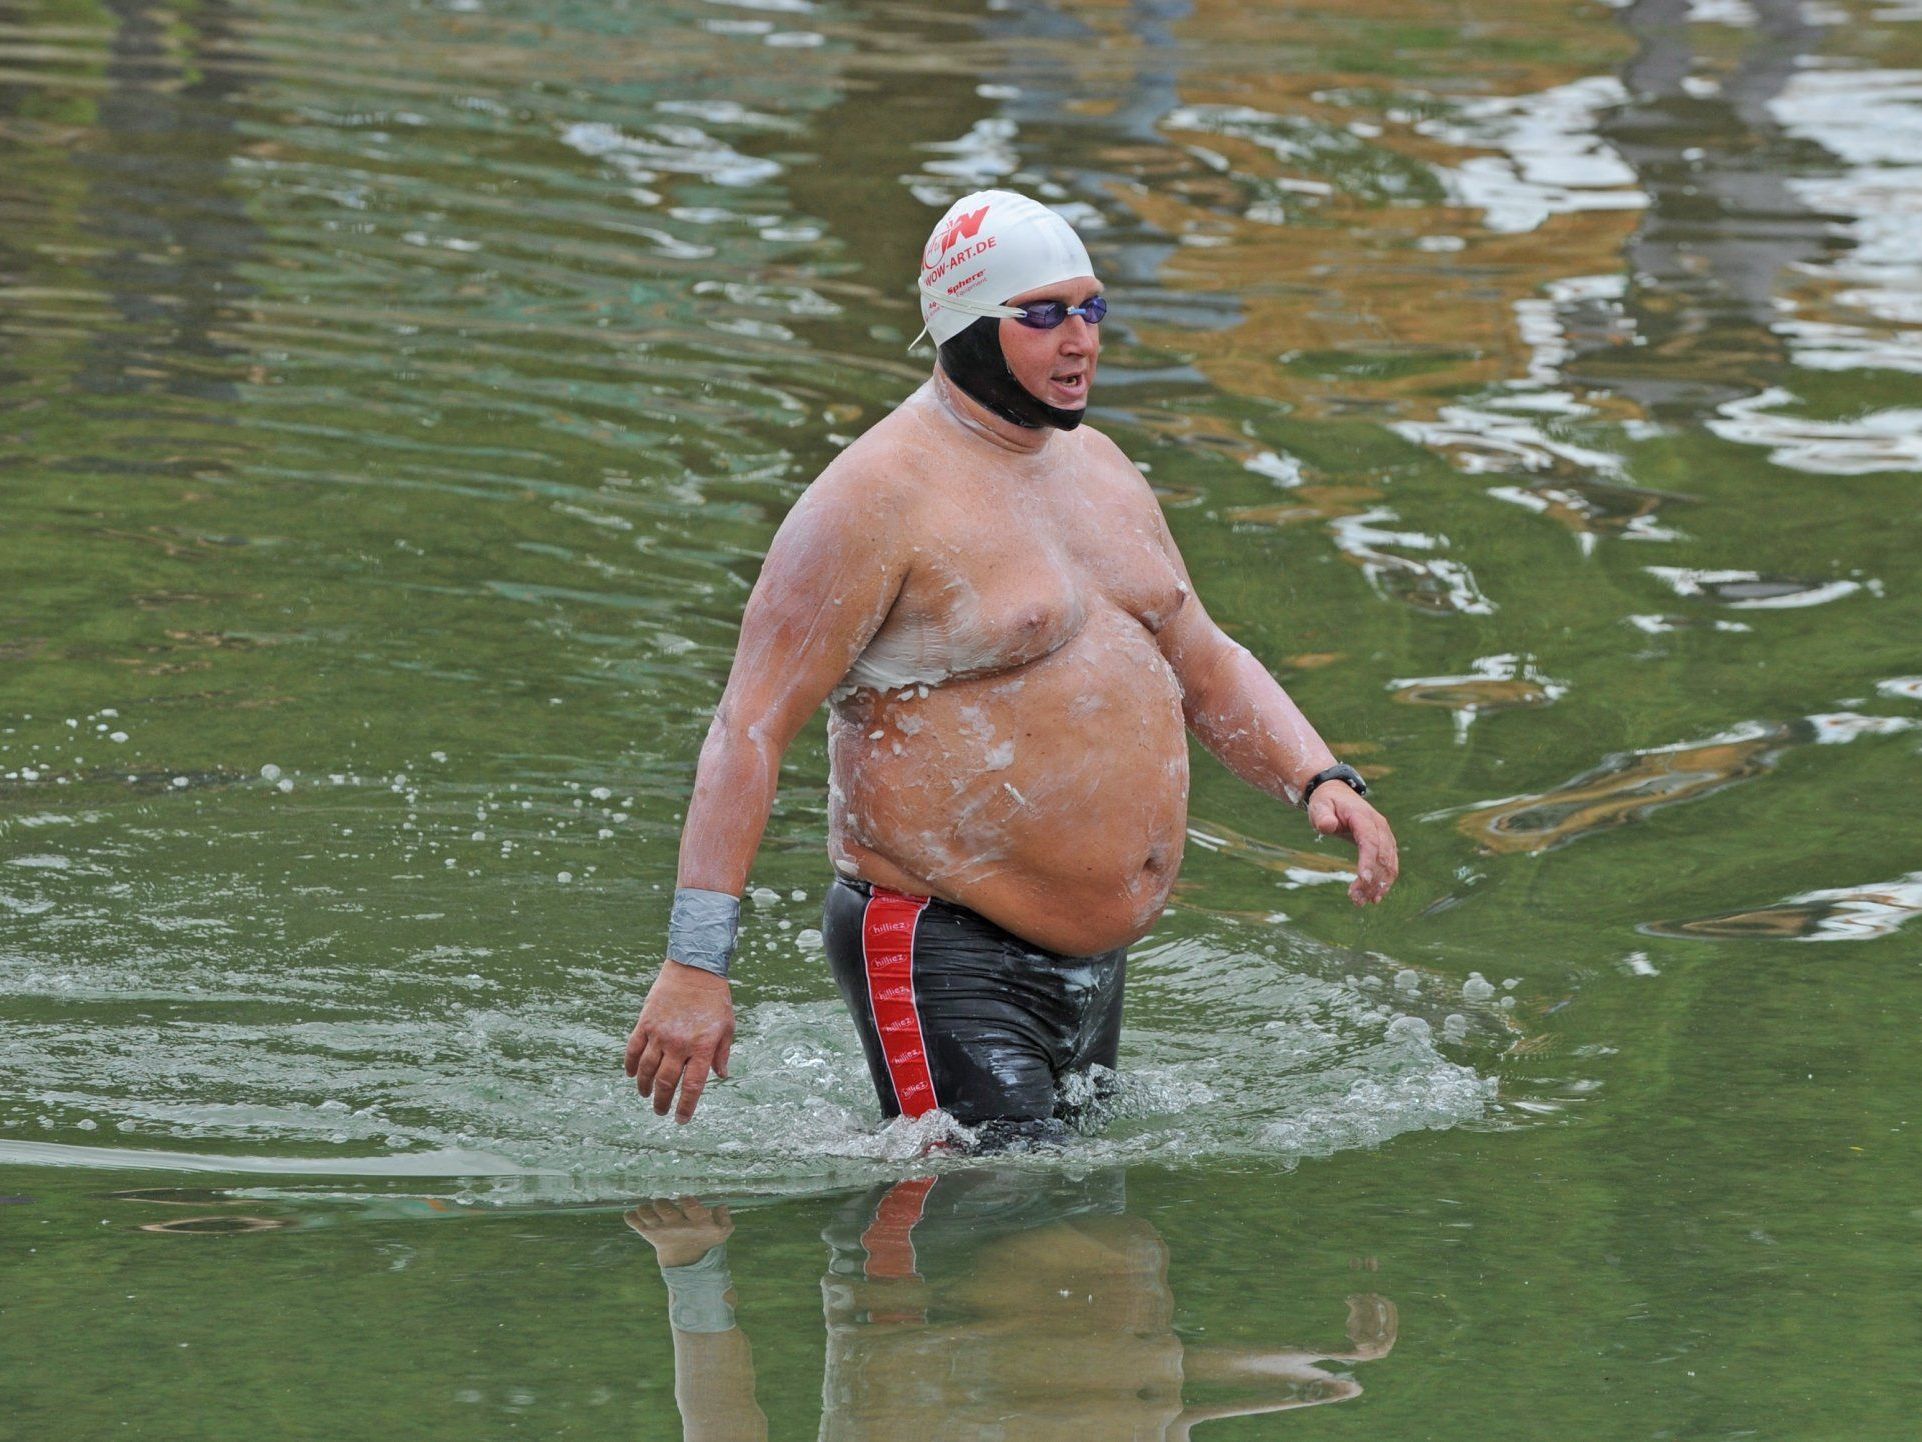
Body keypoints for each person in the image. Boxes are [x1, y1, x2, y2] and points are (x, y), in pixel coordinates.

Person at [626, 188, 1399, 1133]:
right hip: (939, 944)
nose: (1079, 339)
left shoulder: (1105, 471)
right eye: (1041, 316)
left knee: (1086, 1258)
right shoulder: (873, 499)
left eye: (1091, 308)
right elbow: (747, 726)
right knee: (996, 1236)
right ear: (965, 328)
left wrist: (1319, 775)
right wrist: (695, 964)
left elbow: (1205, 657)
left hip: (1091, 963)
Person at [627, 1173, 1399, 1440]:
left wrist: (691, 1265)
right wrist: (1286, 1374)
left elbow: (723, 1430)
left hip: (937, 1242)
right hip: (1093, 1221)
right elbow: (1152, 1405)